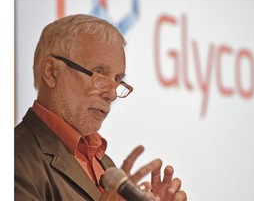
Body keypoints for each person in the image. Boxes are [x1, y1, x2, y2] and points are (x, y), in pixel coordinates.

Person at [15, 14, 187, 201]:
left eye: (117, 80)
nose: (112, 94)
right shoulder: (13, 157)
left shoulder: (105, 164)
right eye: (99, 73)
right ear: (51, 72)